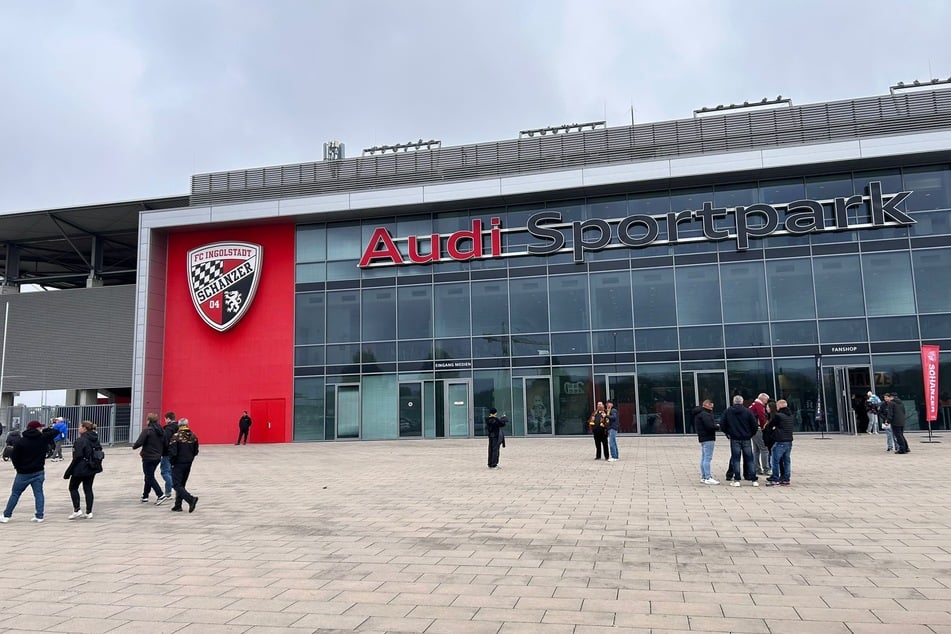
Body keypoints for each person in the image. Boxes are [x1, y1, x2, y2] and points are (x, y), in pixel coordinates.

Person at [0, 420, 59, 523]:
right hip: (38, 471)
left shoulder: (21, 441)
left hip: (23, 472)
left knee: (15, 493)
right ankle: (39, 515)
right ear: (37, 429)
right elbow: (55, 431)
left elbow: (14, 456)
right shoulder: (43, 438)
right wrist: (46, 429)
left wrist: (18, 468)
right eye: (40, 427)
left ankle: (6, 515)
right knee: (38, 493)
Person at [63, 420, 103, 519]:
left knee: (73, 487)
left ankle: (77, 509)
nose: (78, 428)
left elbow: (77, 456)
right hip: (92, 467)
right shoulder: (95, 439)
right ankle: (89, 511)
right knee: (88, 488)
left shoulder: (80, 440)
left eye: (80, 427)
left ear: (84, 428)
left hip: (80, 468)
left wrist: (69, 471)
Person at [721, 395, 760, 487]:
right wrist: (751, 434)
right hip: (746, 438)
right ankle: (754, 479)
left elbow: (723, 424)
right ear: (742, 402)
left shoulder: (728, 411)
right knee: (750, 459)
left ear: (733, 402)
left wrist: (728, 433)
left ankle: (737, 479)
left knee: (736, 459)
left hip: (734, 438)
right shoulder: (748, 411)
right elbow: (754, 424)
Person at [132, 413, 167, 504]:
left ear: (149, 420)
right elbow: (165, 443)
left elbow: (139, 442)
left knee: (149, 476)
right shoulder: (161, 431)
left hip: (148, 457)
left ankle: (160, 495)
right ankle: (145, 496)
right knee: (149, 475)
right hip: (157, 457)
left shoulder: (147, 430)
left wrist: (134, 446)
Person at [168, 418, 200, 512]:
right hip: (188, 463)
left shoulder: (176, 436)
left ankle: (191, 499)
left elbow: (173, 453)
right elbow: (196, 451)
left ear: (179, 425)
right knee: (182, 484)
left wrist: (172, 463)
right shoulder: (193, 436)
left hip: (178, 463)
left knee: (176, 484)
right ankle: (178, 505)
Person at [765, 399, 794, 486]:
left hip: (780, 440)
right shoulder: (790, 415)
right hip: (789, 440)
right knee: (786, 461)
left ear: (780, 406)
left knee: (775, 461)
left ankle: (775, 478)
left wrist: (772, 432)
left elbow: (770, 426)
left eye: (777, 405)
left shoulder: (778, 416)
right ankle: (786, 479)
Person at [692, 399, 719, 485]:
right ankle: (708, 477)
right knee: (707, 458)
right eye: (711, 405)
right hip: (708, 438)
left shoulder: (699, 414)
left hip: (703, 438)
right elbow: (710, 426)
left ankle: (704, 477)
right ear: (707, 404)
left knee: (704, 458)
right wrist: (717, 426)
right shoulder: (705, 414)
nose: (712, 407)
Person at [749, 393, 771, 476]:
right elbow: (761, 417)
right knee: (764, 449)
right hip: (757, 429)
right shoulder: (759, 405)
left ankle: (757, 468)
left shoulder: (753, 405)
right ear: (763, 399)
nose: (766, 402)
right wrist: (763, 426)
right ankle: (766, 469)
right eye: (766, 400)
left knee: (756, 450)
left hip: (752, 430)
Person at [159, 411, 178, 503]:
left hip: (167, 453)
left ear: (168, 419)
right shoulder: (178, 427)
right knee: (170, 472)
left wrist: (162, 450)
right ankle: (168, 492)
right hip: (176, 454)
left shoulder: (168, 429)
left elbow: (165, 441)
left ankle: (175, 488)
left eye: (165, 419)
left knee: (165, 472)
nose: (165, 420)